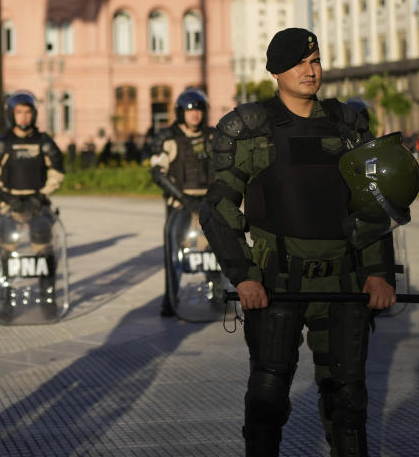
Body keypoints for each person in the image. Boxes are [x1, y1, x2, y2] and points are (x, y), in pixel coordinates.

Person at [199, 28, 403, 457]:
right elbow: (218, 209)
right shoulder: (248, 129)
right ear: (276, 71)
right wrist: (245, 277)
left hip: (344, 284)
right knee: (267, 399)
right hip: (278, 283)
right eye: (298, 63)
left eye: (315, 61)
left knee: (348, 401)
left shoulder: (348, 124)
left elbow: (372, 207)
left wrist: (379, 273)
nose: (310, 71)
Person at [0, 91, 64, 312]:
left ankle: (49, 301)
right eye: (19, 113)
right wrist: (8, 199)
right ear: (11, 114)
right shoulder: (3, 143)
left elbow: (57, 171)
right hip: (9, 207)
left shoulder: (43, 142)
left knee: (45, 254)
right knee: (6, 255)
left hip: (38, 207)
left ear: (34, 114)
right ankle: (6, 301)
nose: (24, 117)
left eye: (28, 112)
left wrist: (41, 196)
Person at [149, 88, 215, 317]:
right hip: (179, 204)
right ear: (180, 113)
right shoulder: (167, 137)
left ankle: (217, 296)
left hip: (208, 203)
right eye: (190, 111)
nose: (195, 115)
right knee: (176, 252)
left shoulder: (212, 136)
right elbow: (158, 173)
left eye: (198, 110)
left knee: (213, 252)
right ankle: (171, 299)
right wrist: (184, 199)